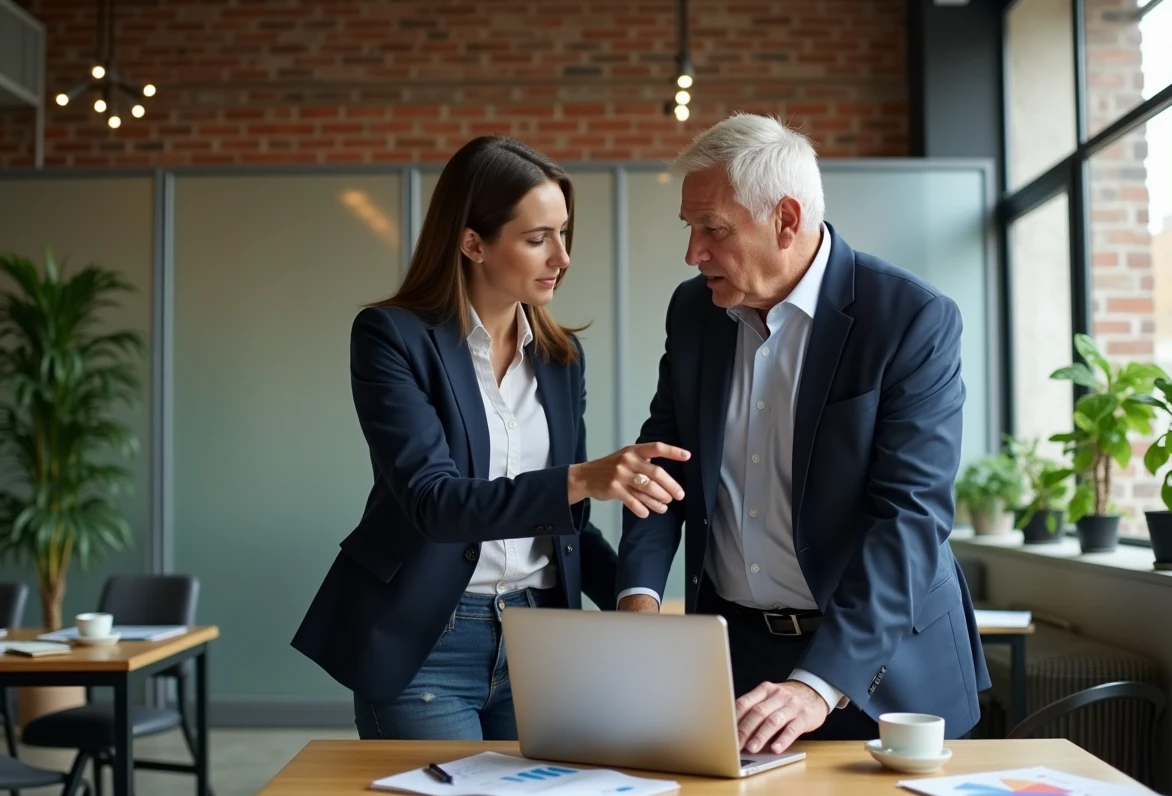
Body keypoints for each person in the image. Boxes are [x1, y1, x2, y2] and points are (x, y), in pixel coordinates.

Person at [292, 136, 690, 741]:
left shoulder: (561, 357)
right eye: (538, 239)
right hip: (430, 642)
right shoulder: (392, 338)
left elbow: (568, 524)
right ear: (472, 242)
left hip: (541, 638)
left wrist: (640, 607)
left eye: (564, 233)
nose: (562, 256)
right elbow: (434, 501)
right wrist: (582, 480)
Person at [616, 114, 990, 753]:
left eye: (713, 229)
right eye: (691, 228)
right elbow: (663, 463)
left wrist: (818, 683)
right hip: (736, 659)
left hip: (880, 670)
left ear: (786, 220)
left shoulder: (909, 319)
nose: (693, 253)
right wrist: (639, 599)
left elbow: (909, 518)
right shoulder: (694, 311)